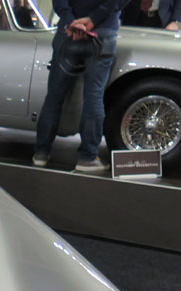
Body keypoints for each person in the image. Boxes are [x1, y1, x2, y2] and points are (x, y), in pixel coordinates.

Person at [33, 0, 128, 172]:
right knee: (94, 97)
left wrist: (71, 21)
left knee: (54, 96)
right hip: (102, 33)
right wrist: (93, 19)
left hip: (68, 32)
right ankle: (87, 157)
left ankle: (41, 153)